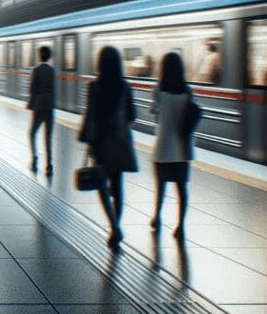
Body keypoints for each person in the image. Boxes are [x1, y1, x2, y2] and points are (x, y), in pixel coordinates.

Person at [78, 45, 137, 246]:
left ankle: (114, 226)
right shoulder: (125, 86)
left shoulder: (94, 86)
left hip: (100, 141)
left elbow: (90, 114)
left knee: (102, 184)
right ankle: (116, 226)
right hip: (119, 141)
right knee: (118, 185)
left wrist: (85, 136)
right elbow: (132, 115)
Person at [151, 52, 193, 238]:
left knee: (161, 187)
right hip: (183, 149)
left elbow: (155, 114)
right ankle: (180, 226)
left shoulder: (159, 90)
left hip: (163, 147)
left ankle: (157, 217)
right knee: (182, 189)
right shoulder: (188, 91)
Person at [27, 46, 56, 173]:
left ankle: (34, 158)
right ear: (49, 56)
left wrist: (31, 104)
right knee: (48, 137)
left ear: (40, 56)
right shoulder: (52, 70)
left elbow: (32, 89)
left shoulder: (36, 70)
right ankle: (49, 165)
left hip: (38, 108)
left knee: (32, 133)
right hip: (49, 107)